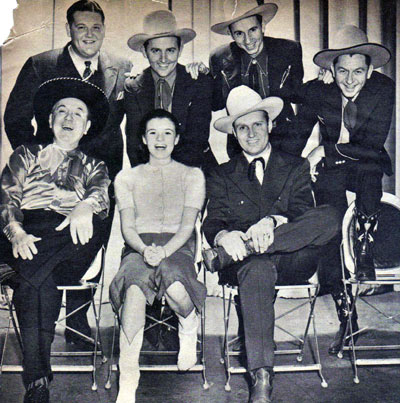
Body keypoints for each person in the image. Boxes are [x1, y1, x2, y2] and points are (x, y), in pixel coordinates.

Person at [4, 0, 131, 345]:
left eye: (96, 28)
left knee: (88, 243)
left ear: (103, 30)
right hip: (47, 184)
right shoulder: (41, 65)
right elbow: (15, 117)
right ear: (68, 29)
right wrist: (39, 159)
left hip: (99, 180)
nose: (89, 34)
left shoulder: (120, 66)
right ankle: (43, 309)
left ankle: (77, 319)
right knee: (49, 238)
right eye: (81, 27)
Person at [202, 85, 340, 402]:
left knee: (329, 216)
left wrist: (272, 223)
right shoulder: (222, 174)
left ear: (271, 124)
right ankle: (261, 380)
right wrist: (224, 237)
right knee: (258, 268)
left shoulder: (295, 165)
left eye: (258, 124)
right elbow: (213, 221)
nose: (251, 133)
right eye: (242, 127)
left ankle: (251, 247)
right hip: (245, 264)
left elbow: (304, 214)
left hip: (295, 258)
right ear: (234, 134)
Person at [0, 77, 111, 403]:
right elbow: (7, 198)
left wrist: (83, 206)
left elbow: (100, 195)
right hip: (26, 233)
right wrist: (17, 231)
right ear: (49, 121)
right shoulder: (25, 155)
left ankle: (10, 266)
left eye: (77, 113)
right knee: (36, 283)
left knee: (67, 241)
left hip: (72, 237)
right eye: (61, 111)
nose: (68, 118)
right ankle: (38, 381)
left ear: (87, 126)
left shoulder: (96, 165)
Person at [289, 26, 395, 353]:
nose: (350, 80)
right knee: (328, 223)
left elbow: (373, 145)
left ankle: (365, 250)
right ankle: (346, 313)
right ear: (331, 70)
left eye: (359, 72)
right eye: (342, 71)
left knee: (368, 172)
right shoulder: (321, 90)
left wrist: (324, 151)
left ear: (370, 70)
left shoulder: (383, 89)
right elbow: (294, 115)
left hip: (367, 163)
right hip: (334, 171)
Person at [109, 109, 207, 403]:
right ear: (143, 139)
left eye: (167, 133)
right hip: (139, 245)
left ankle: (188, 327)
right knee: (136, 287)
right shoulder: (126, 178)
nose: (160, 139)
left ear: (176, 139)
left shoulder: (193, 175)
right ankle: (128, 378)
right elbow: (127, 227)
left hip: (178, 245)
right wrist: (143, 250)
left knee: (175, 284)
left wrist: (164, 251)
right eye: (153, 133)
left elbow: (188, 225)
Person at [123, 10, 216, 173]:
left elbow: (197, 140)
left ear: (180, 50)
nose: (163, 59)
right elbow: (134, 145)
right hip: (150, 172)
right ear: (144, 52)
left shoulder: (199, 82)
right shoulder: (133, 87)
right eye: (156, 51)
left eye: (170, 50)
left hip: (195, 171)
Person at [209, 1, 304, 157]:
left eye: (252, 30)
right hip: (242, 145)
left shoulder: (289, 50)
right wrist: (201, 77)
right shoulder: (219, 58)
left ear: (263, 26)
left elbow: (297, 94)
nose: (248, 40)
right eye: (239, 33)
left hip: (284, 141)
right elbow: (216, 103)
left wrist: (323, 78)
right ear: (231, 35)